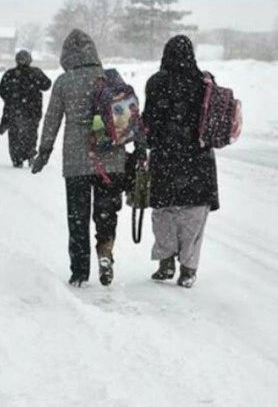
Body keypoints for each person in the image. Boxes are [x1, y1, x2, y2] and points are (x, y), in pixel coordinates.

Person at [31, 29, 125, 287]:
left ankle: (80, 271)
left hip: (76, 161)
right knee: (106, 212)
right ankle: (105, 251)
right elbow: (125, 117)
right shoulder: (109, 78)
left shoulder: (64, 82)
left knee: (78, 217)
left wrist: (43, 153)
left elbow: (52, 120)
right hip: (111, 159)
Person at [142, 35, 219, 288]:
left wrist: (150, 143)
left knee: (164, 211)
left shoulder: (156, 83)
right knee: (194, 214)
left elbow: (149, 122)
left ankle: (165, 262)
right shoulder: (204, 83)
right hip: (198, 160)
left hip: (166, 157)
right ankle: (188, 268)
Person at [0, 50, 52, 168]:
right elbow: (47, 85)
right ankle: (30, 152)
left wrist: (10, 99)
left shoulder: (10, 74)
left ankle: (17, 158)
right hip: (33, 110)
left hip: (14, 109)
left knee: (14, 135)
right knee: (31, 133)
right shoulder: (35, 72)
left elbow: (1, 89)